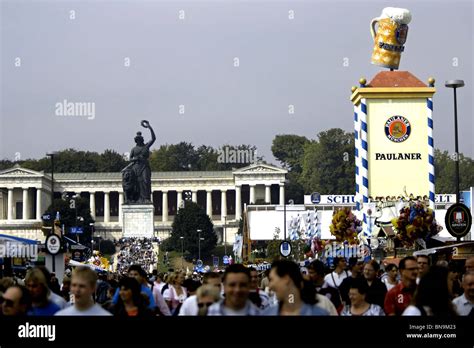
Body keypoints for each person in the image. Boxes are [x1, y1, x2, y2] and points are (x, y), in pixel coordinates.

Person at [262, 260, 328, 316]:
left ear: (286, 278)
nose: (270, 286)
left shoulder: (319, 313)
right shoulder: (267, 313)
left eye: (272, 279)